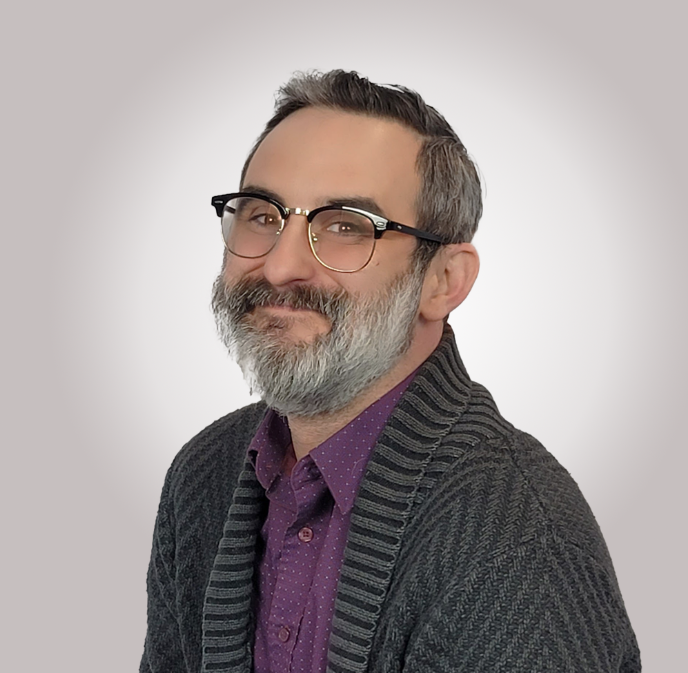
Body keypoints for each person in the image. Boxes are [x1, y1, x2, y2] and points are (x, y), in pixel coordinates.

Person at [140, 70, 640, 673]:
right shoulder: (203, 474)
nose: (279, 266)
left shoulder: (519, 544)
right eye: (263, 216)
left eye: (346, 226)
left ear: (444, 281)